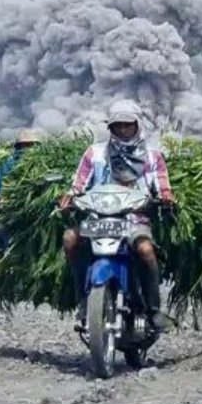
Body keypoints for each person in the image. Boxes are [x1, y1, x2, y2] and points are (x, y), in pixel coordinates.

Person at [58, 99, 176, 334]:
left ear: (137, 125)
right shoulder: (95, 153)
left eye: (127, 125)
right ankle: (83, 299)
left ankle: (153, 310)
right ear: (110, 128)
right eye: (117, 126)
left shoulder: (152, 156)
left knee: (145, 251)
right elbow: (79, 183)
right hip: (98, 219)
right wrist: (68, 197)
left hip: (134, 220)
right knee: (70, 239)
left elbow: (162, 185)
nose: (122, 130)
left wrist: (166, 197)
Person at [0, 128, 44, 265]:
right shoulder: (10, 163)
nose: (28, 149)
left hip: (34, 209)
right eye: (25, 145)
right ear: (19, 146)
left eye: (31, 145)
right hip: (10, 207)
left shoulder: (43, 164)